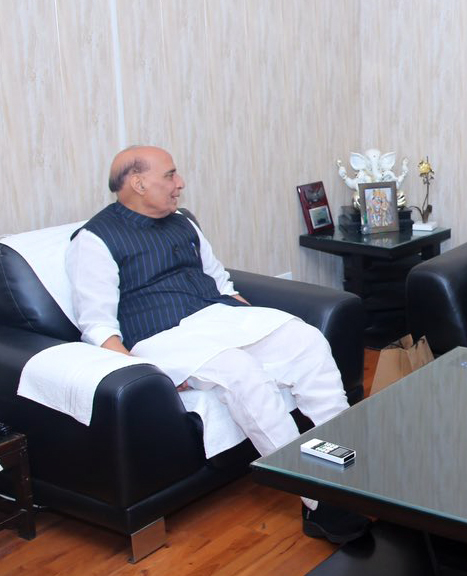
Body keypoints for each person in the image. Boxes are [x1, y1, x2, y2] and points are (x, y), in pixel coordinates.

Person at [65, 145, 369, 543]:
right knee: (240, 373)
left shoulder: (182, 222)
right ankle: (319, 499)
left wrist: (252, 321)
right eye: (170, 175)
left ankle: (348, 470)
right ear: (137, 183)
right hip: (161, 338)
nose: (180, 183)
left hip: (216, 318)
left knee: (305, 341)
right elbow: (97, 326)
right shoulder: (94, 240)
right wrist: (147, 377)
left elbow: (220, 282)